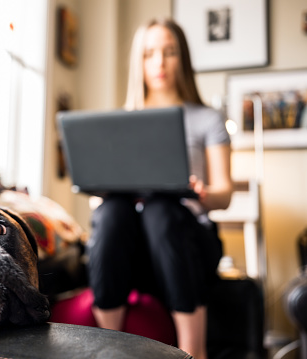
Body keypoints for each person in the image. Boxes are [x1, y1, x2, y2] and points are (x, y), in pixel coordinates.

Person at [86, 18, 233, 359]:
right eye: (150, 53)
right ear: (139, 61)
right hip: (131, 246)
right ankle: (109, 348)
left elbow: (225, 193)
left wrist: (203, 193)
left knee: (161, 209)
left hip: (186, 241)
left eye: (169, 52)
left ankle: (193, 350)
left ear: (183, 58)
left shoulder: (207, 118)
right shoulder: (120, 122)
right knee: (111, 212)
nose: (159, 62)